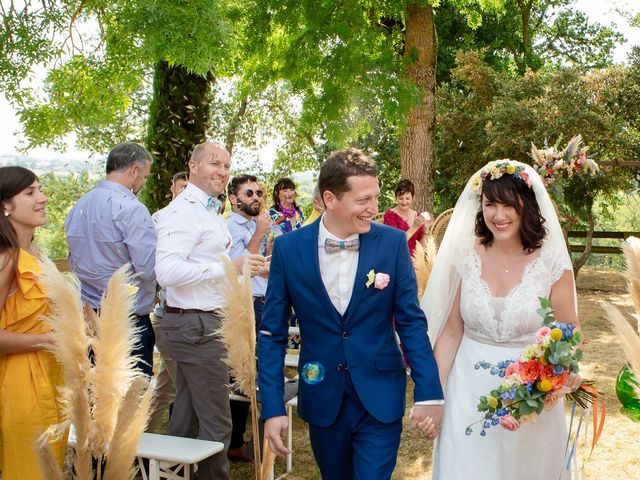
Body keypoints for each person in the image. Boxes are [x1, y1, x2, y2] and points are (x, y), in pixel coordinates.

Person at [258, 148, 444, 479]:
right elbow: (272, 335)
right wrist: (273, 407)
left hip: (380, 395)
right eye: (363, 200)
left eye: (375, 197)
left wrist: (429, 390)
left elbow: (411, 322)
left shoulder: (391, 243)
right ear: (330, 198)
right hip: (323, 395)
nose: (374, 208)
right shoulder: (290, 249)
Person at [420, 160, 581, 479]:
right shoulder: (465, 255)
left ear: (528, 206)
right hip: (466, 391)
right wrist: (433, 393)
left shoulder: (552, 262)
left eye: (509, 204)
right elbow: (452, 332)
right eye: (490, 204)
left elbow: (569, 333)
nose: (498, 215)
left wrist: (554, 376)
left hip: (531, 400)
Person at [154, 142, 267, 480]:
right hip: (195, 327)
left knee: (186, 417)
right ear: (193, 165)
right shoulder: (183, 211)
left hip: (201, 323)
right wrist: (229, 267)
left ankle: (171, 475)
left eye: (226, 166)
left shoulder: (208, 211)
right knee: (217, 423)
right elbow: (167, 273)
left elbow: (214, 265)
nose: (221, 171)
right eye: (214, 164)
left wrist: (248, 267)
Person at [65, 142, 156, 376]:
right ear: (134, 171)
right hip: (127, 320)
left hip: (89, 316)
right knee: (129, 400)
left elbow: (73, 258)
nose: (143, 183)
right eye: (144, 176)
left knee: (96, 395)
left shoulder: (79, 205)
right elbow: (148, 269)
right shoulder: (132, 209)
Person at [0, 166, 67, 479]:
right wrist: (48, 340)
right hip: (20, 382)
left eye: (40, 189)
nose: (42, 198)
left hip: (53, 376)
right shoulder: (6, 259)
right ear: (5, 205)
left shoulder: (37, 252)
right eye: (30, 193)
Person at [226, 174, 272, 462]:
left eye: (257, 192)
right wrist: (258, 237)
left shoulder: (255, 225)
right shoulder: (229, 227)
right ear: (233, 199)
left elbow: (256, 265)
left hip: (261, 301)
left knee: (254, 372)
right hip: (244, 304)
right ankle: (235, 441)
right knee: (242, 373)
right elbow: (236, 269)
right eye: (248, 193)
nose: (256, 197)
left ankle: (246, 439)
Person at [147, 171, 188, 433]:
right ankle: (179, 459)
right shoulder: (160, 219)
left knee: (165, 386)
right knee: (185, 387)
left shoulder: (205, 220)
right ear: (172, 188)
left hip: (185, 315)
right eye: (182, 187)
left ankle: (142, 439)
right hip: (168, 314)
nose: (186, 193)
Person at [383, 179, 430, 256]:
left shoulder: (417, 216)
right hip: (397, 260)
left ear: (412, 197)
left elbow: (422, 248)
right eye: (400, 198)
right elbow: (394, 245)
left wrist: (426, 230)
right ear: (396, 198)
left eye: (407, 198)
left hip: (415, 261)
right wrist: (414, 227)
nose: (404, 202)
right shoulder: (390, 215)